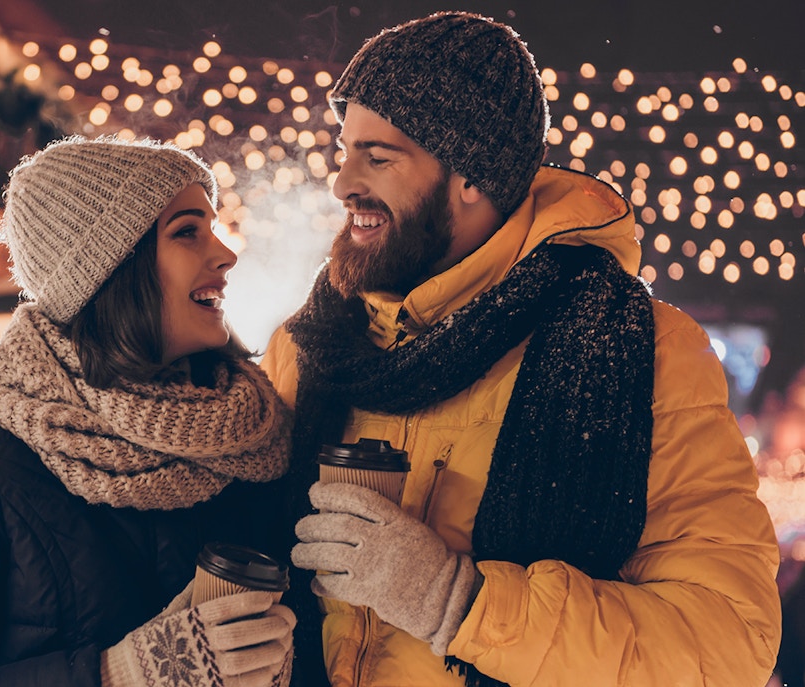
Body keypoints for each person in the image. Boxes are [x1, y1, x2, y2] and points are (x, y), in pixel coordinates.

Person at [260, 11, 782, 687]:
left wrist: (462, 602)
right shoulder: (311, 343)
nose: (341, 181)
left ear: (472, 176)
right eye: (345, 149)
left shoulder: (640, 350)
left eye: (378, 156)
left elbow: (728, 641)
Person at [0, 136, 297, 687]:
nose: (225, 254)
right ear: (110, 271)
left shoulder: (250, 443)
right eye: (187, 232)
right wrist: (115, 676)